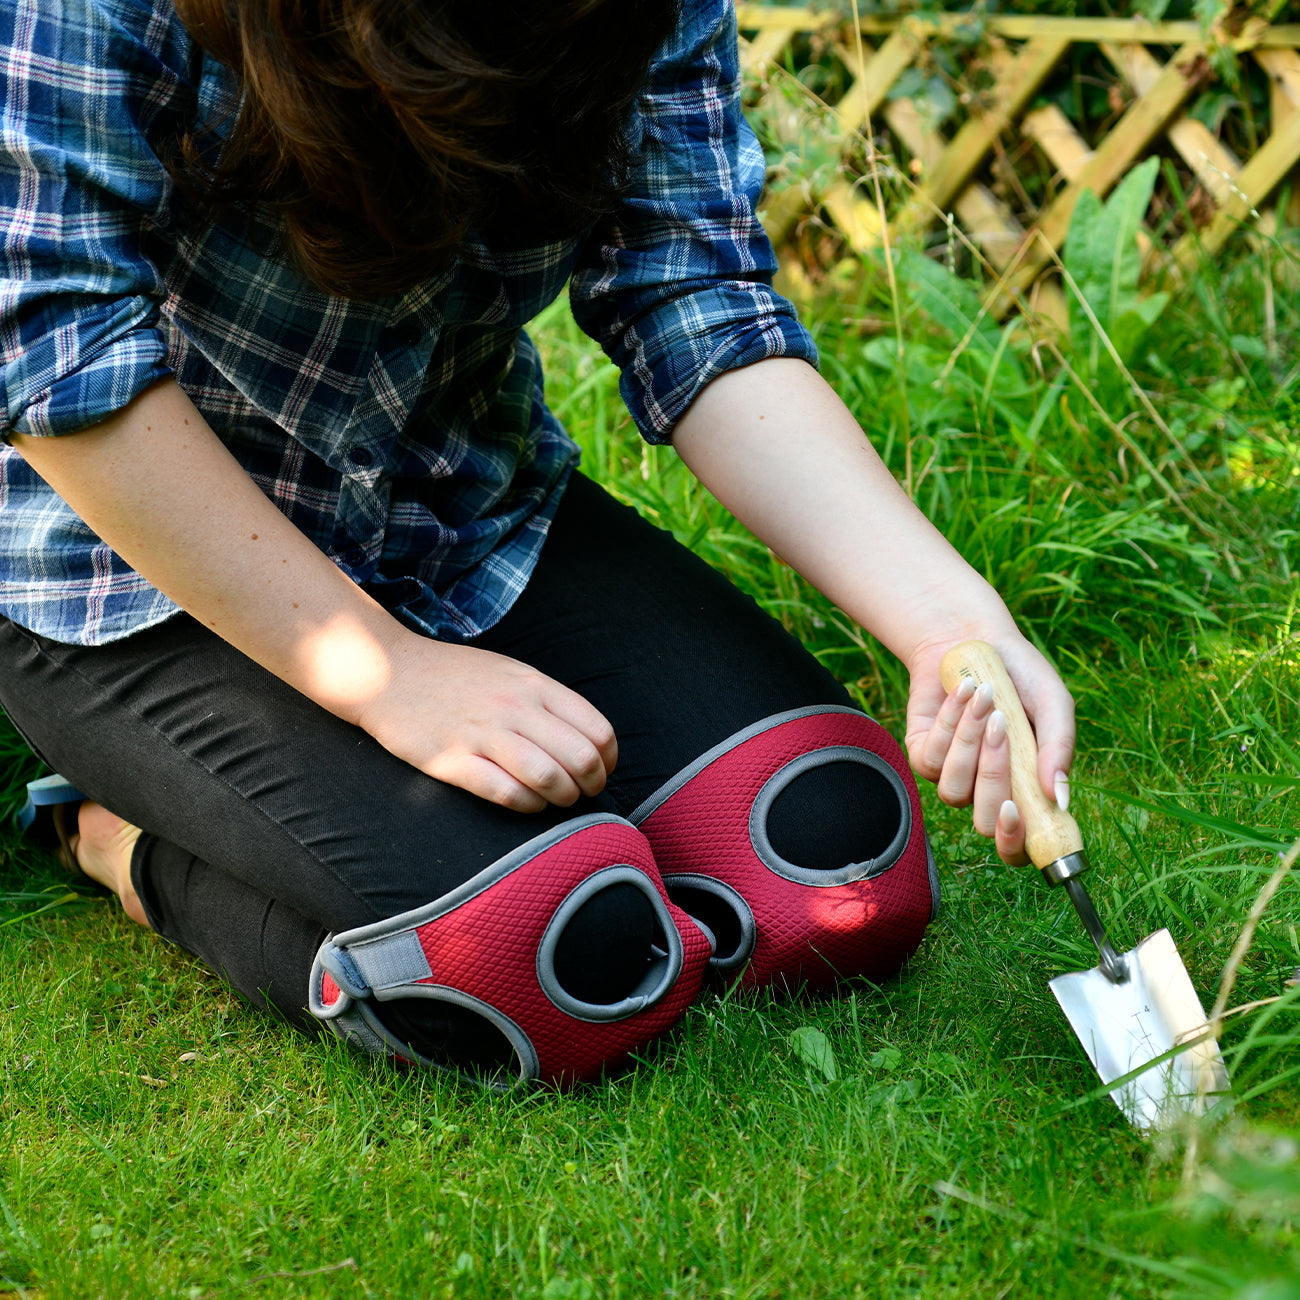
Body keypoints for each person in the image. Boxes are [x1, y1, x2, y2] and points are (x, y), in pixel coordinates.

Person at [0, 0, 1074, 1085]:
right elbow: (59, 356)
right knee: (556, 959)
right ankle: (119, 840)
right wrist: (387, 677)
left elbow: (694, 295)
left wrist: (946, 618)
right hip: (119, 572)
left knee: (836, 865)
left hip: (461, 512)